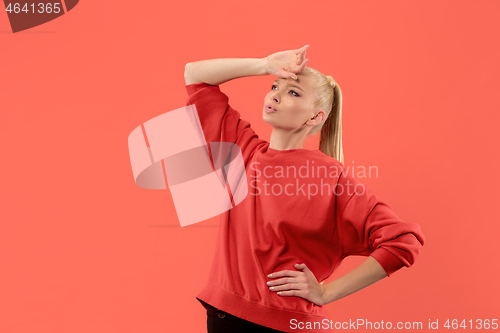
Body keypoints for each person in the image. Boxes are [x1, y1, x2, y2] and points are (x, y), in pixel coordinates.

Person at [183, 45, 425, 333]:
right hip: (224, 317)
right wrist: (264, 64)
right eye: (275, 85)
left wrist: (326, 293)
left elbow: (404, 241)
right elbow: (195, 76)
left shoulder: (330, 176)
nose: (275, 94)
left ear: (315, 118)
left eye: (293, 92)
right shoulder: (242, 151)